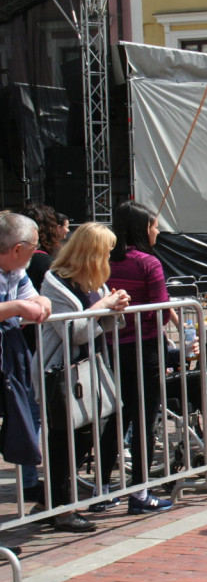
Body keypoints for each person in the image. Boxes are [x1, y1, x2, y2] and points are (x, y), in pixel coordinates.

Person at [35, 223, 131, 532]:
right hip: (60, 373)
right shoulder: (56, 280)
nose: (109, 255)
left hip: (88, 370)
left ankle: (52, 501)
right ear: (90, 251)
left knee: (83, 435)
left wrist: (116, 309)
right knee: (65, 438)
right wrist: (104, 306)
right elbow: (74, 333)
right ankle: (60, 506)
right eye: (105, 249)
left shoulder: (96, 283)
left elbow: (106, 327)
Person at [105, 200, 176, 515]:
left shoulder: (103, 261)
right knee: (144, 419)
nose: (157, 230)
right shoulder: (149, 263)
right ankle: (140, 491)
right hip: (144, 348)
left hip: (110, 348)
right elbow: (160, 310)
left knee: (114, 419)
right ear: (142, 228)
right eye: (154, 224)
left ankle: (102, 489)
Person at [0, 212, 52, 508]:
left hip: (11, 359)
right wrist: (16, 307)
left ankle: (29, 481)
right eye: (34, 247)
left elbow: (35, 298)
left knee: (24, 417)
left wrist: (40, 302)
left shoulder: (16, 271)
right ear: (18, 249)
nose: (37, 253)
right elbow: (22, 303)